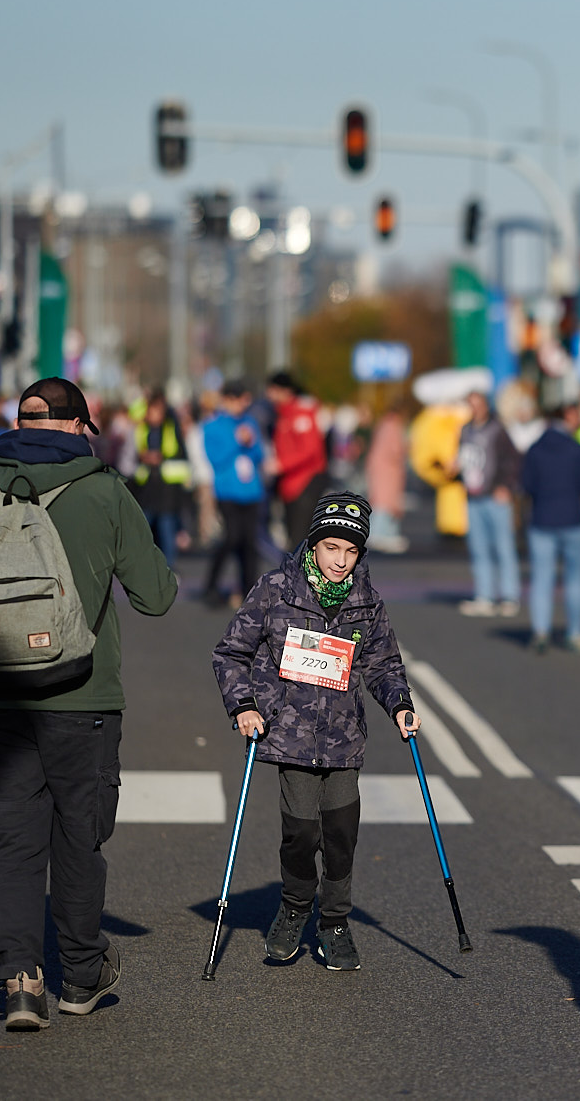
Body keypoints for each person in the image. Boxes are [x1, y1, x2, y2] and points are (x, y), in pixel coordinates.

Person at [0, 377, 177, 1031]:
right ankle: (81, 975)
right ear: (80, 425)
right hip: (85, 695)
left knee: (13, 842)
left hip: (0, 698)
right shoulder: (106, 490)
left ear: (19, 423)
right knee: (79, 839)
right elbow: (156, 596)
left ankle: (21, 980)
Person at [212, 491, 419, 972]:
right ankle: (294, 906)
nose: (340, 561)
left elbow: (383, 664)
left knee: (342, 834)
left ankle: (335, 922)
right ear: (312, 545)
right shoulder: (275, 589)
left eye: (351, 552)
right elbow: (230, 652)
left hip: (344, 740)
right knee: (302, 835)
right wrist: (243, 705)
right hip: (290, 734)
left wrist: (400, 705)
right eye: (331, 548)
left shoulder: (366, 601)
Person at [520, 402, 580, 652]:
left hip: (542, 519)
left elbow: (527, 485)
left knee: (542, 579)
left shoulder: (535, 449)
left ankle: (541, 632)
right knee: (575, 579)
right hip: (573, 519)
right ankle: (574, 633)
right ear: (566, 418)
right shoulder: (576, 450)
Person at [454, 389, 521, 618]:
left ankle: (509, 596)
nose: (474, 409)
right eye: (470, 404)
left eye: (477, 404)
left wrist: (506, 486)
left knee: (503, 547)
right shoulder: (465, 430)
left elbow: (512, 460)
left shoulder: (497, 429)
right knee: (479, 548)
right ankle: (485, 595)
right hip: (473, 495)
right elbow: (464, 458)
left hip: (495, 496)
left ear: (485, 405)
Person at [201, 382, 268, 609]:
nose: (243, 405)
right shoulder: (213, 426)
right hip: (227, 491)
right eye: (240, 400)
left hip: (251, 491)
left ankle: (249, 590)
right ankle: (211, 584)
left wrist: (251, 443)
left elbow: (259, 455)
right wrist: (236, 441)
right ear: (228, 399)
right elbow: (215, 459)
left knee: (250, 542)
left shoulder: (250, 423)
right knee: (231, 537)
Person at [266, 372, 331, 548]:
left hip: (305, 482)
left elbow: (310, 450)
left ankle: (303, 575)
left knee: (300, 539)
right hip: (290, 484)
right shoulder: (283, 415)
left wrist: (282, 464)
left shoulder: (300, 413)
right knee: (293, 539)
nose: (269, 395)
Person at [132, 388, 192, 568]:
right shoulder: (142, 428)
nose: (153, 415)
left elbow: (178, 453)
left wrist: (159, 457)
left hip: (167, 487)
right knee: (143, 527)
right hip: (147, 486)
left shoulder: (171, 427)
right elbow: (133, 413)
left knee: (167, 528)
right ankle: (141, 565)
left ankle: (169, 567)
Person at [364, 404, 410, 554]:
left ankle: (379, 533)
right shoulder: (393, 427)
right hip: (388, 471)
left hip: (379, 470)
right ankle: (383, 534)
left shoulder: (382, 425)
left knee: (379, 501)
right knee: (386, 504)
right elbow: (396, 450)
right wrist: (407, 448)